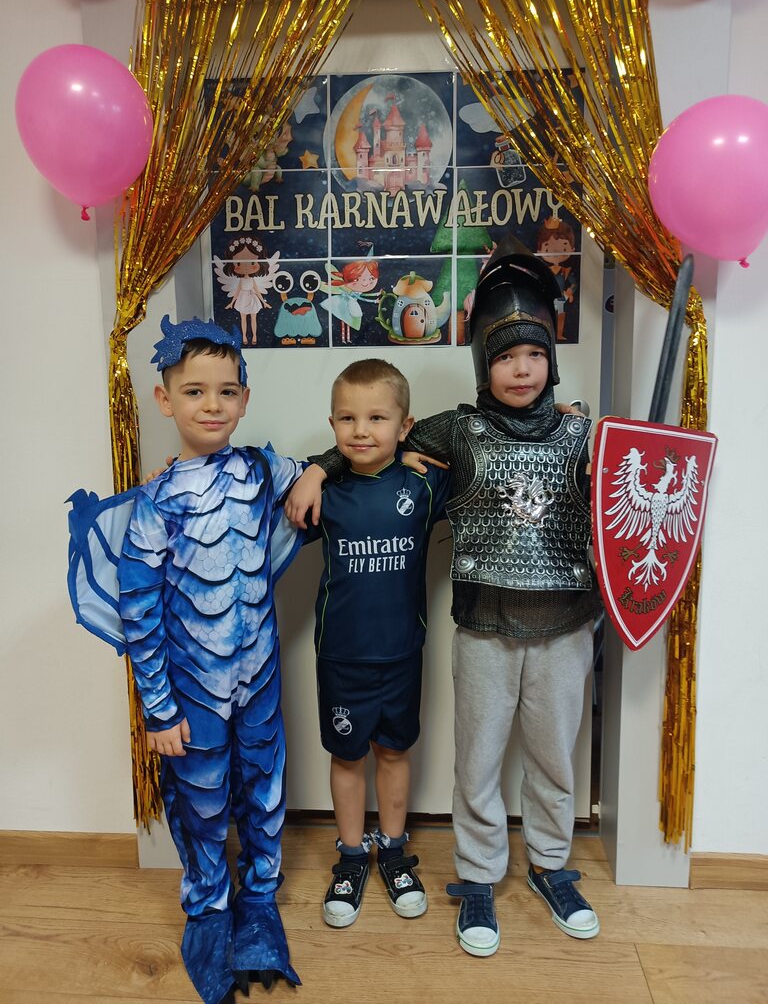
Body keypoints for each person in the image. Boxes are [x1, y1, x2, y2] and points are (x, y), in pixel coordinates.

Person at [286, 238, 603, 956]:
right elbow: (375, 442)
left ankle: (551, 866)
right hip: (484, 624)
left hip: (565, 623)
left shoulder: (583, 432)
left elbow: (629, 496)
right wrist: (319, 466)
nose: (521, 369)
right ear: (482, 362)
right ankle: (480, 875)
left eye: (535, 354)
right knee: (479, 762)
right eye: (504, 355)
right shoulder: (458, 430)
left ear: (552, 359)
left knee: (555, 758)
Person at [116, 317, 304, 1003]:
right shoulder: (153, 504)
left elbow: (320, 469)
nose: (212, 405)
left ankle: (260, 899)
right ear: (165, 400)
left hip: (259, 681)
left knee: (265, 789)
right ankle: (208, 907)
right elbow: (138, 613)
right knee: (199, 802)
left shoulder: (262, 470)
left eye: (227, 391)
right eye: (194, 391)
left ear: (245, 399)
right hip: (191, 691)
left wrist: (315, 474)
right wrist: (158, 709)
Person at [303, 359, 451, 928]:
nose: (361, 430)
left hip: (402, 654)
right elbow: (257, 488)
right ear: (332, 424)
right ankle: (349, 857)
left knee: (393, 752)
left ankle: (392, 851)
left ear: (404, 424)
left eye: (377, 418)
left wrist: (560, 416)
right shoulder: (323, 490)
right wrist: (318, 469)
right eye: (347, 418)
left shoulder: (423, 482)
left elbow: (473, 430)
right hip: (341, 656)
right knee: (346, 757)